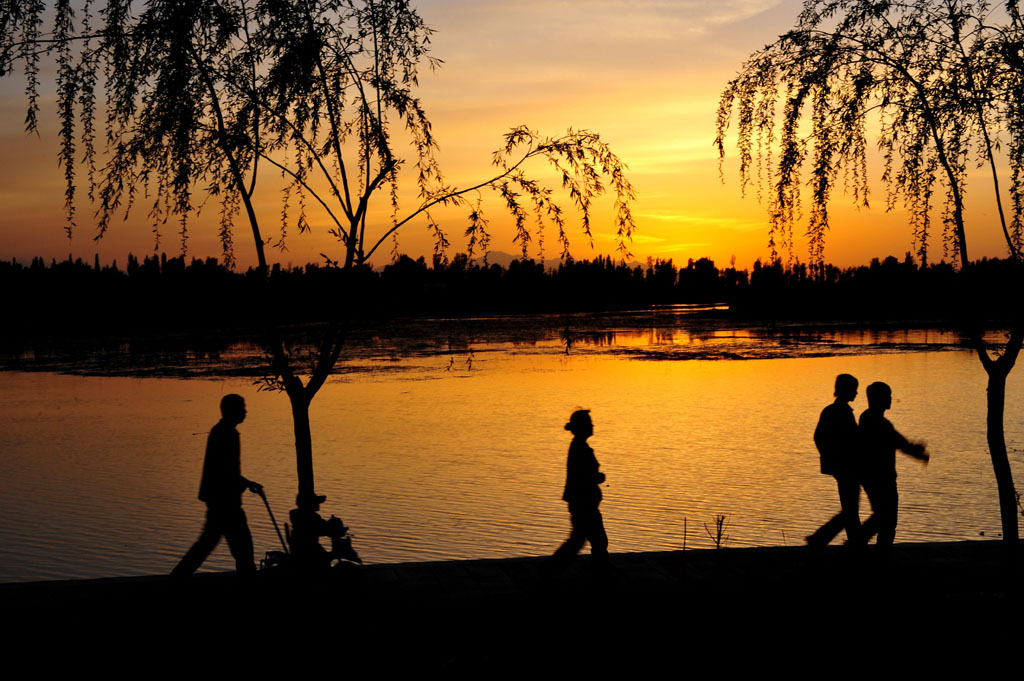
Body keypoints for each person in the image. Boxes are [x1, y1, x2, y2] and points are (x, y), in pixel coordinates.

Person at [171, 394, 263, 578]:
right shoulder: (225, 433)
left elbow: (226, 469)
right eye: (242, 408)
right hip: (224, 501)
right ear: (232, 411)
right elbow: (224, 469)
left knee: (209, 543)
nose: (245, 411)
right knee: (241, 546)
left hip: (219, 499)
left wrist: (246, 483)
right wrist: (243, 484)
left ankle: (177, 577)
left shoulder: (223, 431)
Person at [858, 381, 929, 550]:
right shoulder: (878, 422)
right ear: (877, 398)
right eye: (887, 396)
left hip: (874, 476)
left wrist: (913, 449)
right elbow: (900, 442)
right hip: (881, 477)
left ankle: (863, 545)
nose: (890, 399)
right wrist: (917, 452)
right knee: (886, 518)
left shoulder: (868, 418)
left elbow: (899, 442)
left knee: (883, 517)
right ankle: (863, 545)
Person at [547, 409, 609, 575]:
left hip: (582, 501)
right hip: (583, 501)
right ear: (582, 427)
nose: (592, 425)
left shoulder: (579, 446)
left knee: (585, 539)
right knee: (591, 540)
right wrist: (598, 477)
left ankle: (554, 568)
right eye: (589, 422)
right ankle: (600, 573)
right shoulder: (580, 448)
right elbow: (583, 475)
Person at [806, 374, 862, 548]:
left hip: (840, 465)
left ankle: (852, 540)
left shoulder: (832, 410)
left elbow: (818, 437)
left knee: (850, 505)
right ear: (846, 390)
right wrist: (833, 456)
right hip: (845, 465)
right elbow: (851, 439)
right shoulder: (841, 412)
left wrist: (827, 457)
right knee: (850, 506)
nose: (856, 393)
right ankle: (823, 538)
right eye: (854, 389)